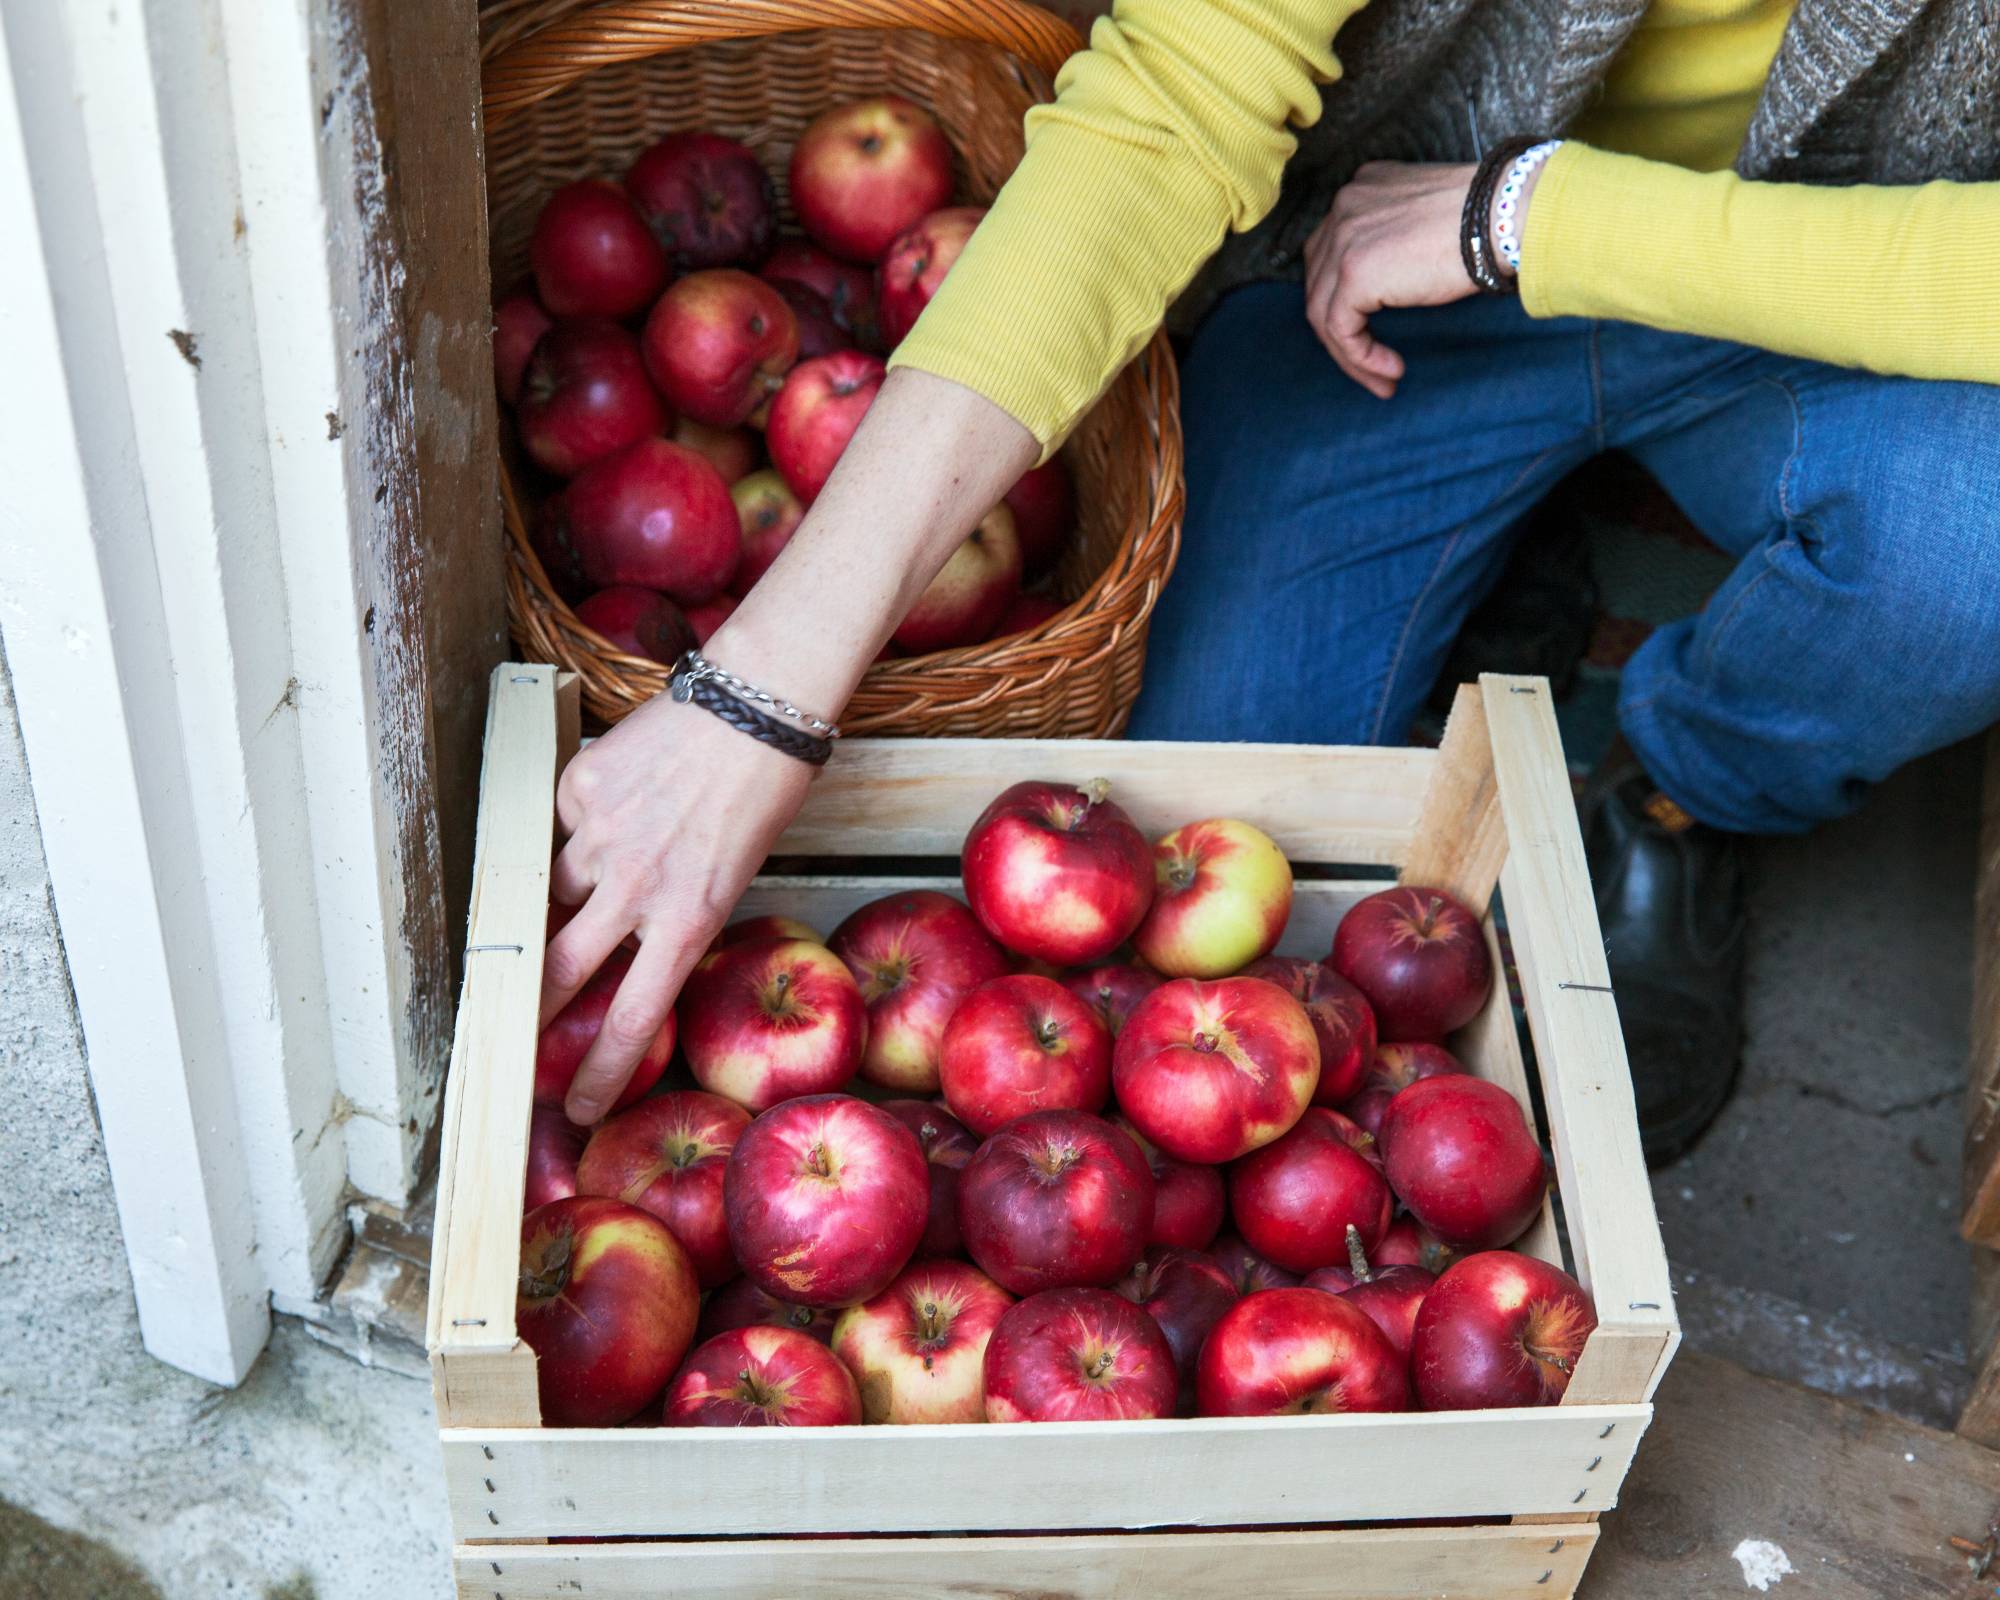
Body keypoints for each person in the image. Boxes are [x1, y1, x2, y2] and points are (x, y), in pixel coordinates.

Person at [541, 0, 2000, 1158]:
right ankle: (1498, 536)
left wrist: (1540, 223)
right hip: (1382, 270)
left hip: (1823, 290)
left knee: (1967, 562)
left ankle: (1689, 789)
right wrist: (760, 694)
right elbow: (1183, 95)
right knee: (1206, 808)